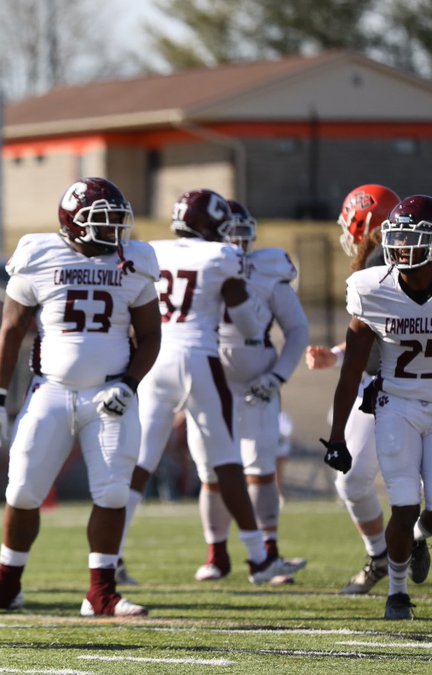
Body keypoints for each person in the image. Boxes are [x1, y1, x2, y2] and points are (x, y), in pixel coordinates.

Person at [0, 178, 159, 617]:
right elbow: (12, 331)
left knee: (113, 493)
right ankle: (7, 584)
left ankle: (101, 592)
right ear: (73, 224)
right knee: (23, 490)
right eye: (103, 221)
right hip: (49, 390)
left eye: (116, 221)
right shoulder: (38, 254)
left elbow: (150, 336)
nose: (114, 232)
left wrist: (128, 383)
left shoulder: (135, 261)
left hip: (110, 392)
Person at [121, 189, 292, 585]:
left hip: (155, 359)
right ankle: (258, 558)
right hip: (198, 358)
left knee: (141, 464)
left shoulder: (150, 250)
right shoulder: (222, 257)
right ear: (210, 224)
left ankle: (111, 556)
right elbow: (249, 326)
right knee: (226, 461)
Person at [306, 184, 432, 594]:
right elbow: (375, 335)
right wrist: (341, 355)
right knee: (362, 484)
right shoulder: (377, 269)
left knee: (356, 482)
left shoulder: (389, 260)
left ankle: (386, 553)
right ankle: (391, 551)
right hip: (390, 386)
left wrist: (341, 358)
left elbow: (385, 344)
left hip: (389, 385)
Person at [200, 200, 310, 581]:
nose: (236, 243)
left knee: (261, 470)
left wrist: (277, 376)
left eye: (240, 234)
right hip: (209, 375)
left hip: (256, 378)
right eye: (227, 233)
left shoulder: (267, 268)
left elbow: (297, 330)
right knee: (210, 472)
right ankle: (216, 555)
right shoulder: (198, 267)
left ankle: (269, 552)